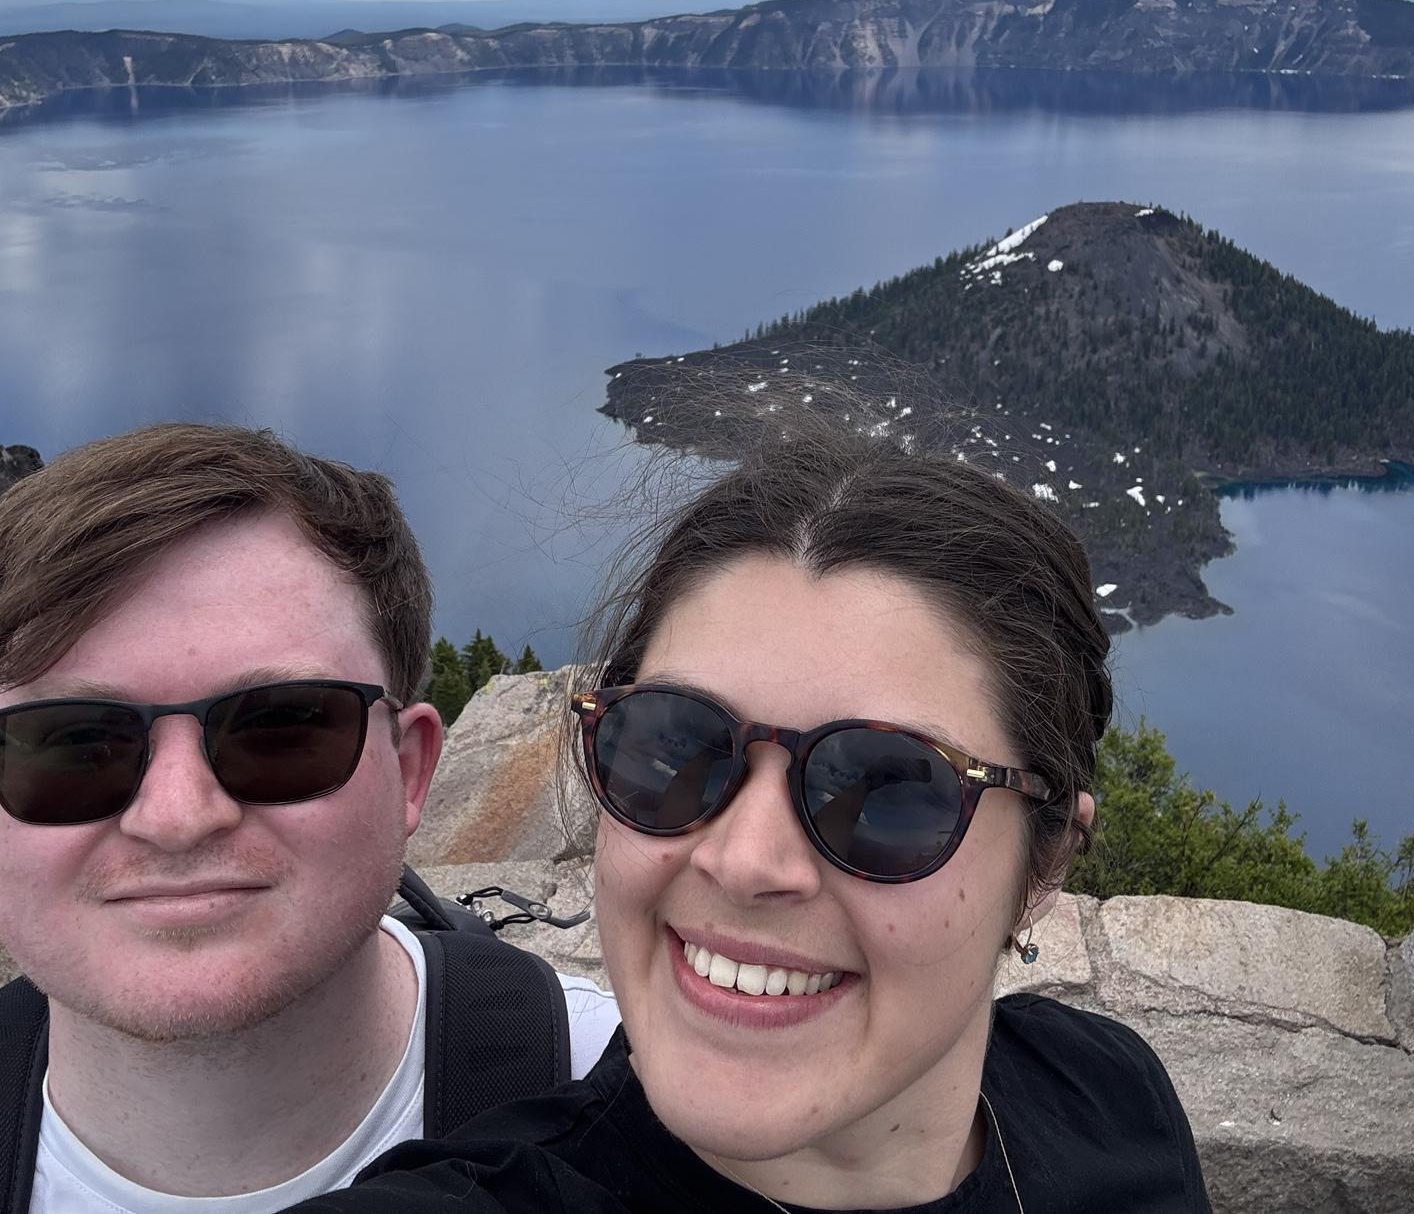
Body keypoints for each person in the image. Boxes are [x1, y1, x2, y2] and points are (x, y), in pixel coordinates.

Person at [293, 420, 1212, 1213]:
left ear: (1045, 865)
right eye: (673, 747)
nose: (743, 861)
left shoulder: (1109, 1096)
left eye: (889, 790)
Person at [0, 422, 619, 1212]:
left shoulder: (631, 1119)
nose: (177, 816)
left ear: (409, 772)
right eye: (71, 743)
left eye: (281, 728)